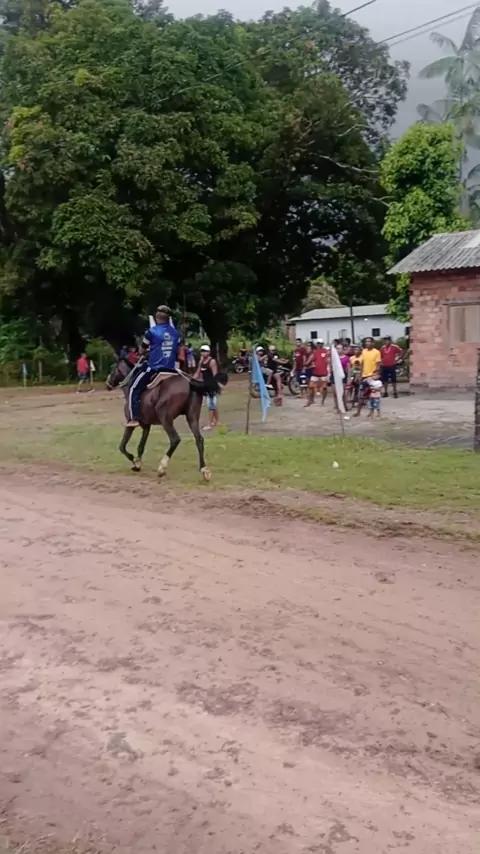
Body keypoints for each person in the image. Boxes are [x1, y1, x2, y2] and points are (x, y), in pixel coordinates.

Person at [126, 305, 180, 427]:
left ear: (157, 318)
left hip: (154, 368)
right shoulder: (176, 333)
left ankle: (134, 418)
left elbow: (142, 350)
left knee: (133, 388)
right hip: (172, 368)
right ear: (168, 318)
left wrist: (145, 352)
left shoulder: (151, 332)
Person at [354, 337, 381, 417]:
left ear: (372, 343)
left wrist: (375, 376)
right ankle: (358, 412)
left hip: (372, 376)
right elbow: (362, 363)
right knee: (361, 395)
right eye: (366, 342)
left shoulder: (377, 352)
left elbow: (378, 365)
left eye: (369, 342)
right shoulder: (364, 351)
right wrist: (360, 375)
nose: (367, 343)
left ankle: (371, 412)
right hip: (364, 376)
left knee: (372, 395)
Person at [195, 344, 219, 430]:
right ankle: (217, 421)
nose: (203, 353)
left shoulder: (212, 362)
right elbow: (197, 373)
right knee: (213, 404)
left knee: (211, 405)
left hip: (211, 386)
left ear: (209, 352)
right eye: (202, 351)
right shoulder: (201, 362)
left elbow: (215, 375)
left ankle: (209, 424)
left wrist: (215, 386)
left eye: (205, 351)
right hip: (205, 385)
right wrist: (192, 380)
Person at [307, 339, 329, 406]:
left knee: (324, 388)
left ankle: (323, 401)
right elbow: (311, 359)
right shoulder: (315, 352)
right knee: (310, 387)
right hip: (315, 372)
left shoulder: (326, 351)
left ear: (322, 344)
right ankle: (310, 400)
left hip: (324, 373)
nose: (319, 344)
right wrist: (308, 364)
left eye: (320, 343)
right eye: (318, 343)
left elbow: (328, 360)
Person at [331, 342, 350, 412]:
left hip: (342, 375)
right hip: (334, 374)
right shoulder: (333, 357)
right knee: (335, 392)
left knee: (342, 392)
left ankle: (344, 405)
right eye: (337, 348)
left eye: (340, 348)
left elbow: (348, 368)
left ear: (342, 349)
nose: (338, 350)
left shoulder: (346, 358)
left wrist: (349, 378)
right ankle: (337, 406)